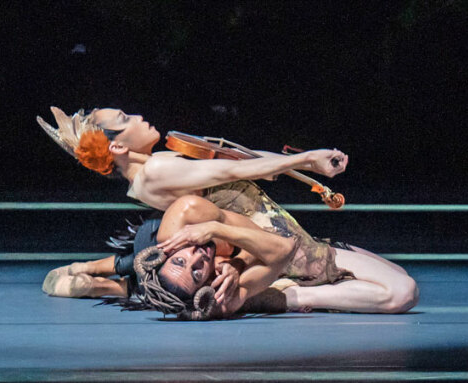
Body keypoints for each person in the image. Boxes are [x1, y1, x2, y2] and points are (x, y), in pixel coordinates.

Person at [38, 107, 418, 314]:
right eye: (125, 121)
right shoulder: (157, 171)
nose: (138, 118)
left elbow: (235, 158)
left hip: (289, 236)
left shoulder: (156, 166)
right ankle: (298, 295)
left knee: (398, 279)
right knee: (402, 292)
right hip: (279, 248)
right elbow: (236, 168)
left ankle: (298, 286)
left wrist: (302, 166)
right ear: (118, 148)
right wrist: (305, 160)